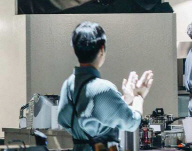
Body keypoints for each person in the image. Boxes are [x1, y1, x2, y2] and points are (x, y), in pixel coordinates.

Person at [57, 22, 153, 151]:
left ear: (75, 49)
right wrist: (138, 97)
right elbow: (132, 122)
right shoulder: (103, 89)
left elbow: (67, 120)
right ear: (102, 49)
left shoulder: (68, 85)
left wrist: (126, 100)